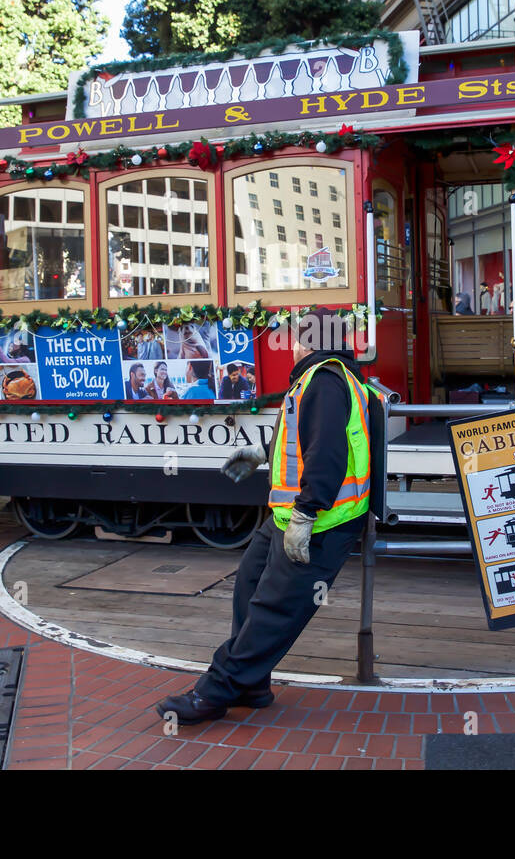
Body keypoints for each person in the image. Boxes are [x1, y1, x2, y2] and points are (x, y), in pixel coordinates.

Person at [156, 310, 373, 725]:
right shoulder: (319, 379)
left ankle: (214, 693)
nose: (290, 345)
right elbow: (304, 439)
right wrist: (263, 454)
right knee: (250, 585)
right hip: (287, 516)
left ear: (311, 342)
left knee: (273, 611)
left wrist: (305, 517)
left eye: (296, 338)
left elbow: (327, 457)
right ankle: (252, 685)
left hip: (317, 524)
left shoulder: (325, 382)